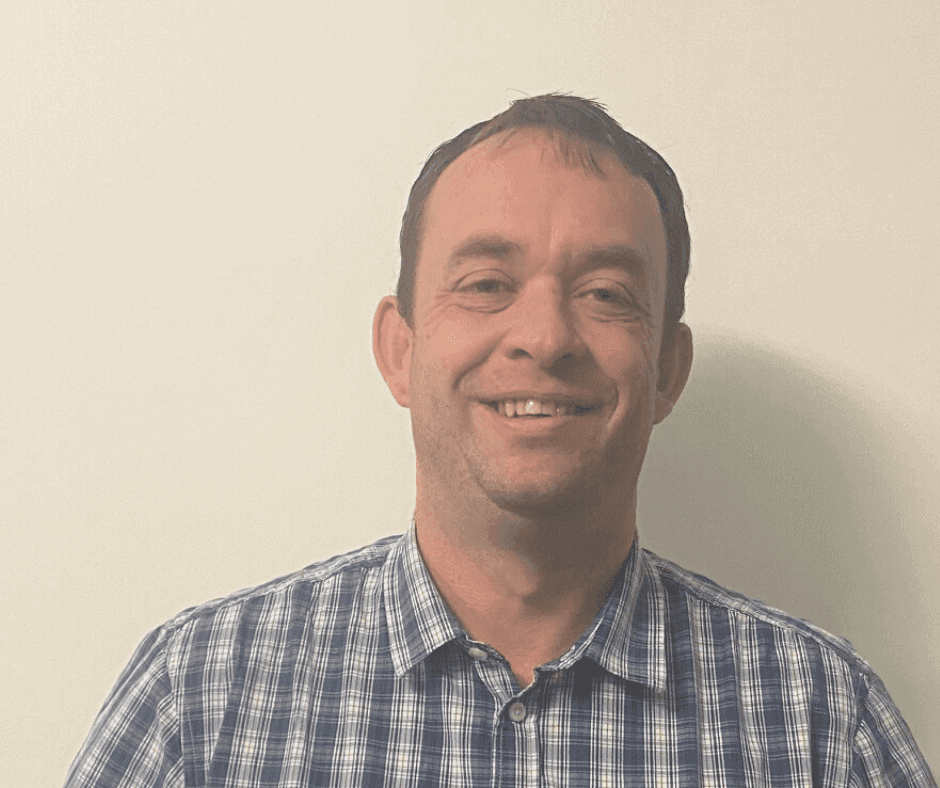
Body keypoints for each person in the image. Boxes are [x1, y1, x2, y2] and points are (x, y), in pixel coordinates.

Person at [65, 94, 934, 787]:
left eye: (605, 293)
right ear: (399, 351)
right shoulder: (202, 696)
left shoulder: (821, 718)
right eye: (486, 284)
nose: (545, 336)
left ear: (668, 369)